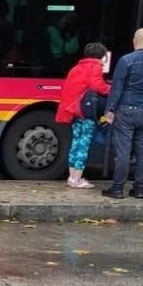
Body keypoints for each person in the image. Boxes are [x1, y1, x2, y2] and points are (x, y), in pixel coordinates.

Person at [101, 28, 143, 199]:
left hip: (125, 110)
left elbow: (117, 89)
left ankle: (117, 188)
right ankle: (139, 189)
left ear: (134, 41)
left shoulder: (126, 60)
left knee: (123, 151)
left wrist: (109, 110)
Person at [56, 42, 111, 188]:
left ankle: (72, 177)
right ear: (102, 56)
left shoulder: (76, 68)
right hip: (86, 112)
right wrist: (111, 89)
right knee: (84, 144)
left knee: (75, 143)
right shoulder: (95, 66)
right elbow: (97, 85)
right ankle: (78, 179)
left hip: (74, 111)